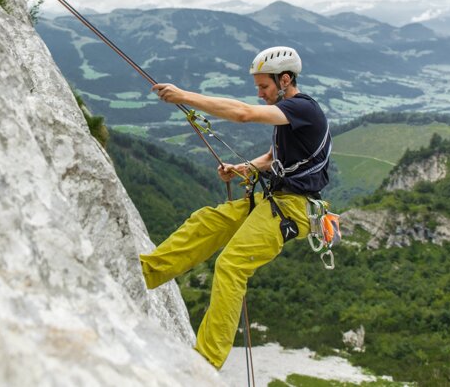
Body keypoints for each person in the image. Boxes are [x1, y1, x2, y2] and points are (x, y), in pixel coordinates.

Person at [140, 45, 331, 369]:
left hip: (294, 208)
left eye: (264, 86)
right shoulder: (289, 114)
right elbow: (273, 158)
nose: (259, 93)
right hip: (278, 200)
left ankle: (206, 361)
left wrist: (184, 96)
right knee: (207, 221)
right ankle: (146, 273)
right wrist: (243, 168)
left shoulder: (303, 108)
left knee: (231, 264)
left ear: (285, 80)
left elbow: (243, 114)